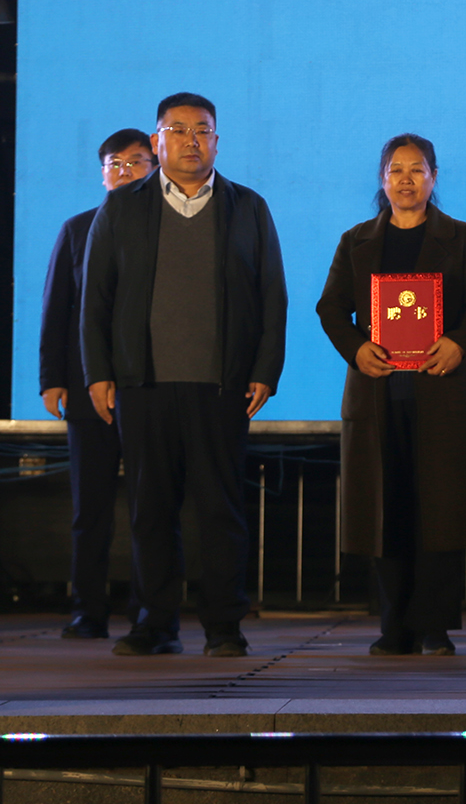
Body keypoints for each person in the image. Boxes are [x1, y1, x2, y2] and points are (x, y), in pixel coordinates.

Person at [81, 93, 288, 658]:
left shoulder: (248, 207)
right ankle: (155, 624)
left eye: (202, 130)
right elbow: (95, 298)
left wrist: (265, 369)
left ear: (217, 141)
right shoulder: (122, 207)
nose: (191, 140)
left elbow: (272, 294)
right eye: (178, 130)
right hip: (142, 384)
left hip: (222, 385)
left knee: (221, 510)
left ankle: (224, 626)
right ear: (157, 141)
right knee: (151, 510)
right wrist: (98, 372)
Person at [317, 133, 466, 656]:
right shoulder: (356, 240)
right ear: (382, 179)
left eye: (417, 170)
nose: (406, 179)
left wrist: (459, 343)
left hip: (441, 391)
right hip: (377, 394)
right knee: (386, 510)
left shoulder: (461, 237)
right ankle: (394, 627)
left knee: (440, 512)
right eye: (396, 170)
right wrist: (356, 349)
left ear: (433, 178)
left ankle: (435, 627)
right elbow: (331, 308)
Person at [40, 128, 156, 639]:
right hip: (87, 386)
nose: (126, 171)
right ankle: (87, 611)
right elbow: (57, 309)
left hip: (149, 385)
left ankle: (149, 611)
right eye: (116, 163)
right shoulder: (77, 228)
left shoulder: (167, 226)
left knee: (150, 506)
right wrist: (52, 379)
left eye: (137, 162)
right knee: (90, 508)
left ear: (154, 168)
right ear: (102, 173)